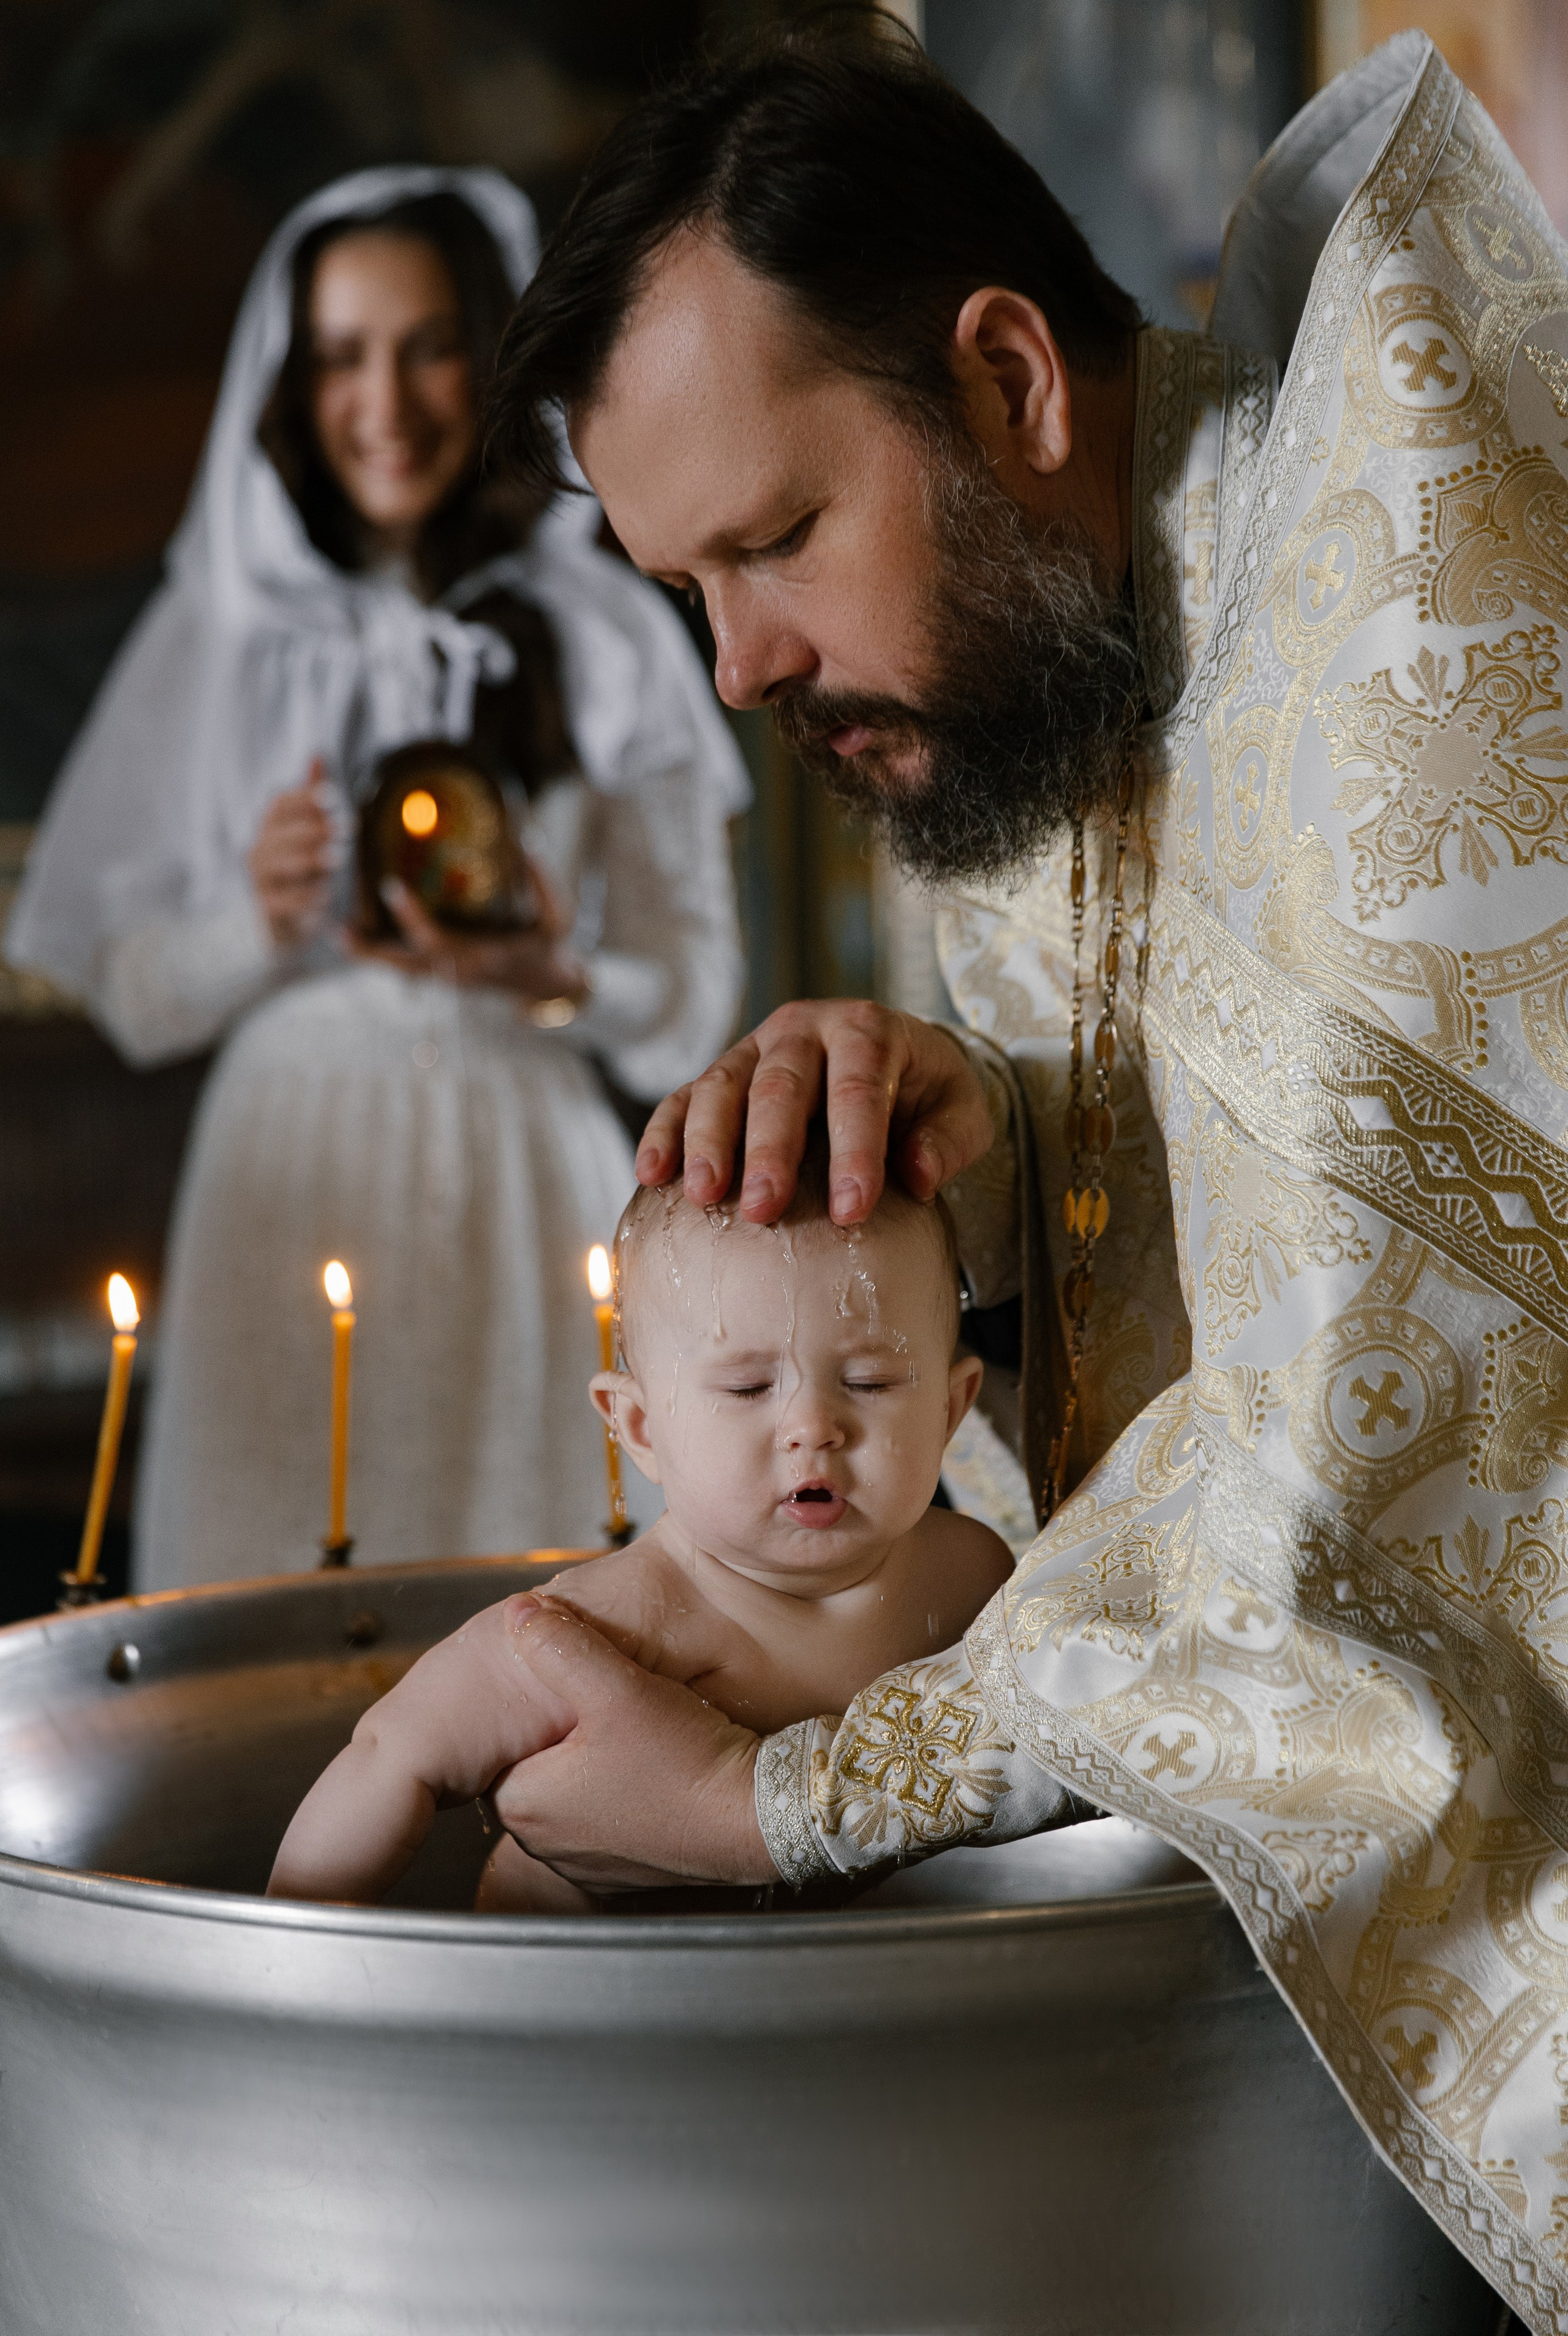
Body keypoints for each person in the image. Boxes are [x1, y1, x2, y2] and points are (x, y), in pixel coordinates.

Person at [454, 25, 1568, 2326]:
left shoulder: (1409, 612)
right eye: (683, 583)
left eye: (770, 539)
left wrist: (778, 1802)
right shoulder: (1043, 673)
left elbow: (1350, 1480)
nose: (739, 660)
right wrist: (966, 1125)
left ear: (1003, 380)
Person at [6, 165, 747, 1584]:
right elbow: (135, 996)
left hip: (526, 1175)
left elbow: (693, 1003)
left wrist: (554, 973)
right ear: (291, 383)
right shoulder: (220, 639)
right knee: (281, 1595)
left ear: (493, 353)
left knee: (552, 1588)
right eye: (341, 356)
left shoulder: (602, 632)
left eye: (425, 346)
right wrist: (254, 917)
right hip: (285, 1175)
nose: (383, 400)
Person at [266, 1136, 1009, 1910]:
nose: (812, 1426)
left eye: (870, 1380)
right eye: (750, 1387)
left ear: (951, 1410)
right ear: (641, 1428)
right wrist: (293, 1952)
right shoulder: (606, 1627)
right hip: (570, 1988)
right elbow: (393, 1754)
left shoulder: (969, 1577)